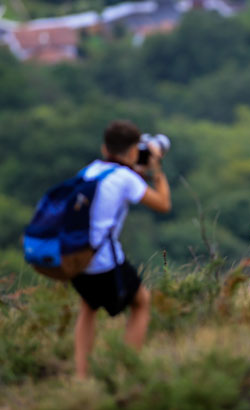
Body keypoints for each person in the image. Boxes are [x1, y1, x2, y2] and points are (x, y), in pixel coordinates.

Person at [72, 120, 171, 379]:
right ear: (133, 151)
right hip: (103, 260)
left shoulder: (89, 171)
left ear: (105, 148)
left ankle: (81, 377)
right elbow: (162, 204)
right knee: (141, 303)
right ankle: (127, 369)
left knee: (88, 306)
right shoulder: (126, 178)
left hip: (76, 258)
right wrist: (156, 168)